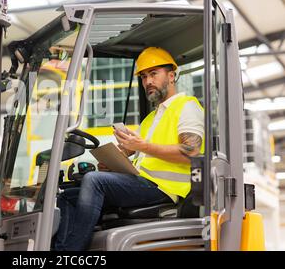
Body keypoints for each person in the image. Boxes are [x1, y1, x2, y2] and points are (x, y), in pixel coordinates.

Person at [53, 46, 205, 251]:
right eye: (143, 77)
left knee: (94, 180)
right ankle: (59, 248)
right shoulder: (150, 119)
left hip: (165, 190)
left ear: (171, 76)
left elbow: (191, 152)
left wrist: (141, 146)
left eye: (153, 74)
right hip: (143, 184)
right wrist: (114, 163)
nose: (148, 81)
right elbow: (143, 157)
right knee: (64, 194)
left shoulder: (187, 106)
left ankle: (70, 253)